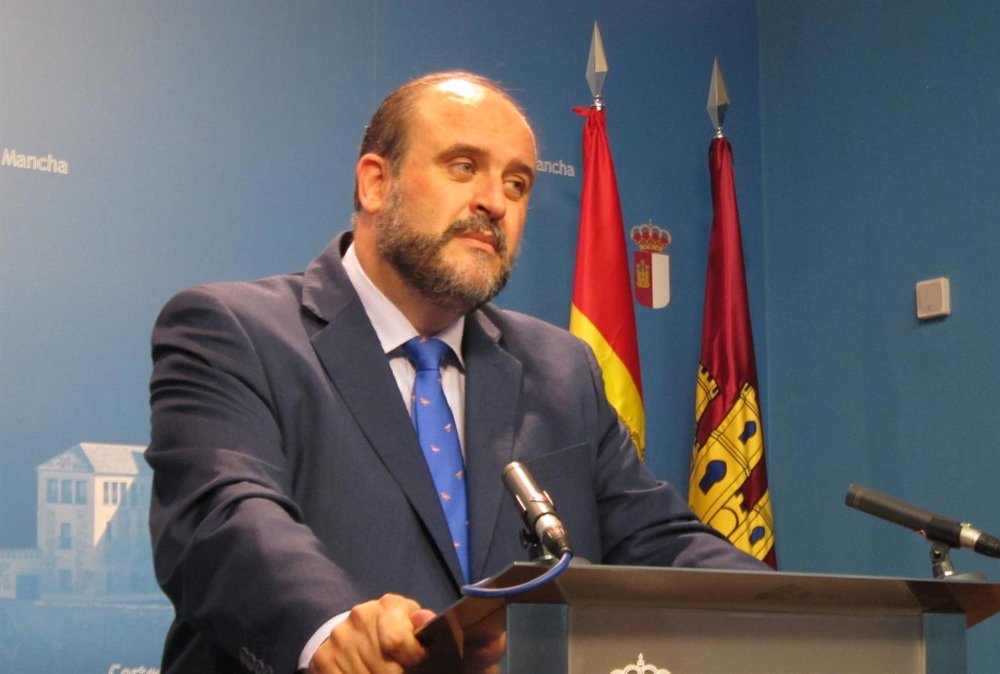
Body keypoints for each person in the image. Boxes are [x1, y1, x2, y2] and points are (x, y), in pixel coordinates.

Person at [147, 70, 767, 674]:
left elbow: (658, 541)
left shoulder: (561, 369)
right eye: (463, 166)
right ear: (375, 183)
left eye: (517, 184)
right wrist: (330, 627)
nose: (495, 202)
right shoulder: (234, 330)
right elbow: (223, 517)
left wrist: (792, 613)